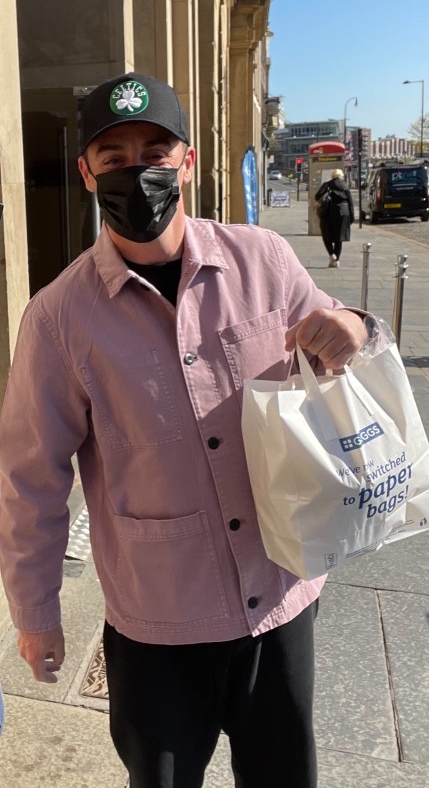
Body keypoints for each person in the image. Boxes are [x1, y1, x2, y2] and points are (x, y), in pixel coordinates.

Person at [0, 73, 367, 788]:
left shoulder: (262, 258)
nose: (138, 171)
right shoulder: (57, 319)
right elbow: (29, 478)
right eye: (114, 157)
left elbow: (350, 336)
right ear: (86, 173)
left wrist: (353, 323)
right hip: (158, 623)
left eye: (156, 151)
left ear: (188, 162)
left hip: (279, 594)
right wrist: (35, 612)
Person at [315, 168, 355, 268]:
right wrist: (351, 217)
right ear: (341, 176)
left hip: (329, 212)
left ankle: (332, 254)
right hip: (344, 212)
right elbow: (350, 203)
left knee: (326, 236)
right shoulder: (345, 186)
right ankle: (336, 260)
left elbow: (317, 196)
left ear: (332, 176)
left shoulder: (327, 184)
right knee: (339, 238)